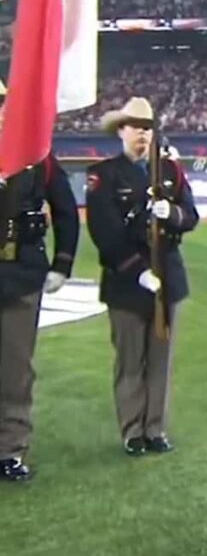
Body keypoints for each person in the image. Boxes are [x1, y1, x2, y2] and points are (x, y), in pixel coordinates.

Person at [85, 97, 199, 456]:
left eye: (148, 129)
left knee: (160, 361)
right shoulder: (104, 175)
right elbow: (105, 232)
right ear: (121, 131)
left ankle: (155, 428)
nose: (143, 135)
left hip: (167, 279)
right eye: (136, 128)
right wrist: (137, 271)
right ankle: (132, 430)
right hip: (127, 281)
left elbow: (190, 215)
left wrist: (174, 214)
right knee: (130, 360)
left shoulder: (169, 171)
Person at [0, 89, 80, 482]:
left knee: (15, 370)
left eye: (2, 104)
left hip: (20, 274)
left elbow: (66, 211)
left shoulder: (38, 157)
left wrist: (62, 263)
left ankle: (9, 450)